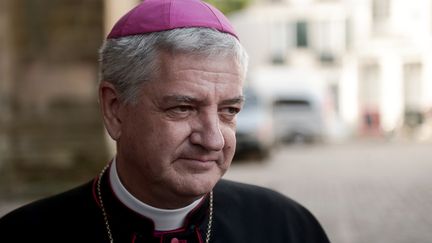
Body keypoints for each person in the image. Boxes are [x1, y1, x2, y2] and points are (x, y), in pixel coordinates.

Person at [0, 0, 330, 242]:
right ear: (115, 109)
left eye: (229, 111)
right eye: (183, 108)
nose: (213, 140)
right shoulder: (25, 235)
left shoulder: (286, 228)